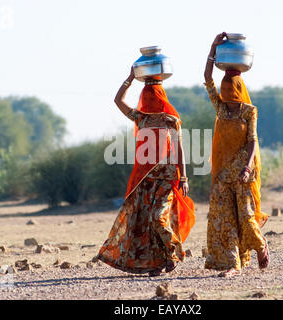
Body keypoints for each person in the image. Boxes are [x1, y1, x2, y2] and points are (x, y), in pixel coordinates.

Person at [97, 67, 196, 277]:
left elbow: (179, 149)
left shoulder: (171, 121)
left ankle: (173, 253)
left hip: (167, 179)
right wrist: (131, 78)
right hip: (146, 179)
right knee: (143, 223)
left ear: (161, 98)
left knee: (158, 218)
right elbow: (118, 101)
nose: (149, 99)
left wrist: (184, 178)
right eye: (146, 96)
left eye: (153, 95)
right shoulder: (140, 118)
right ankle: (155, 263)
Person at [203, 32, 269, 277]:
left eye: (232, 92)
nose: (228, 97)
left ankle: (261, 246)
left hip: (243, 172)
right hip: (222, 174)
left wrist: (246, 167)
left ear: (239, 90)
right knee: (223, 220)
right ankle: (232, 264)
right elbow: (207, 78)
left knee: (246, 217)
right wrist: (212, 48)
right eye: (225, 91)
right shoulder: (220, 108)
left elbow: (252, 141)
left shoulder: (249, 111)